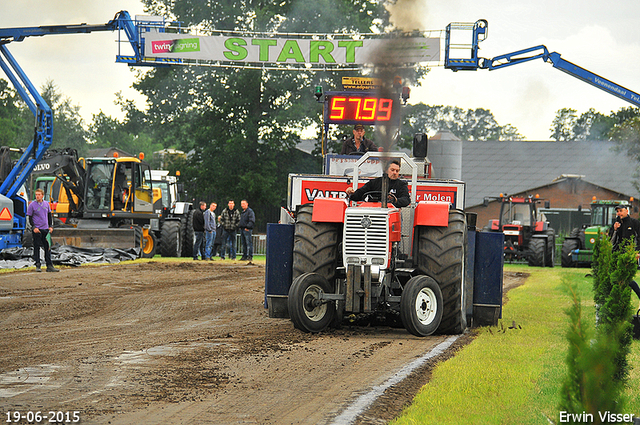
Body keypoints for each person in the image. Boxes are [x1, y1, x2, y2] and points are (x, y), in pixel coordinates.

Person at [345, 159, 410, 208]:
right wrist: (352, 193)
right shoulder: (374, 182)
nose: (395, 173)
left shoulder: (401, 185)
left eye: (397, 171)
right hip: (373, 210)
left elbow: (406, 200)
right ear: (386, 170)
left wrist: (395, 200)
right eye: (392, 170)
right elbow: (359, 193)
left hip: (392, 211)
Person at [609, 204, 640, 302]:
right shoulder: (616, 224)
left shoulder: (634, 223)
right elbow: (611, 241)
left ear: (626, 211)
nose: (619, 213)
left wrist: (638, 252)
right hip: (618, 255)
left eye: (620, 211)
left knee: (627, 279)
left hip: (630, 256)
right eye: (617, 211)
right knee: (619, 279)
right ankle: (621, 300)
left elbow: (639, 239)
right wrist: (614, 230)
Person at [27, 188, 59, 272]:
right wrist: (34, 227)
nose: (37, 196)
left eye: (39, 194)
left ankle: (49, 265)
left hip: (45, 229)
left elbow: (49, 216)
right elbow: (29, 218)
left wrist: (51, 226)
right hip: (37, 230)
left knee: (47, 247)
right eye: (36, 194)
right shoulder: (32, 205)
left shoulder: (46, 204)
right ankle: (38, 264)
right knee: (36, 246)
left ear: (42, 195)